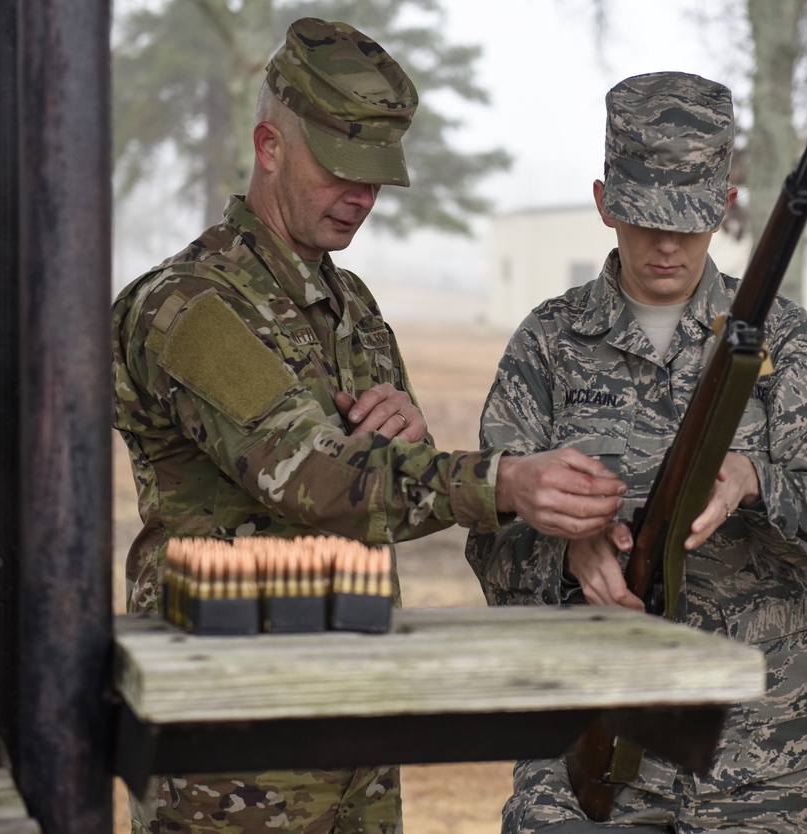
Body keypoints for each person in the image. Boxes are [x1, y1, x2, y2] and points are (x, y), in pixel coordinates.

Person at [111, 18, 627, 834]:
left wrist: (413, 449)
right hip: (233, 755)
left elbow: (391, 493)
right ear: (269, 145)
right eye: (341, 169)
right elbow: (316, 481)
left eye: (378, 175)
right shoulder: (191, 308)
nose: (363, 195)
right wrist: (501, 481)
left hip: (354, 731)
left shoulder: (351, 308)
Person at [465, 71, 807, 833]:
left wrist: (758, 481)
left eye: (689, 220)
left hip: (773, 764)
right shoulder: (548, 343)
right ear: (602, 202)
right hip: (585, 756)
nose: (665, 242)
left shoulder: (786, 343)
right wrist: (567, 554)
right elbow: (488, 535)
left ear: (725, 209)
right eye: (641, 216)